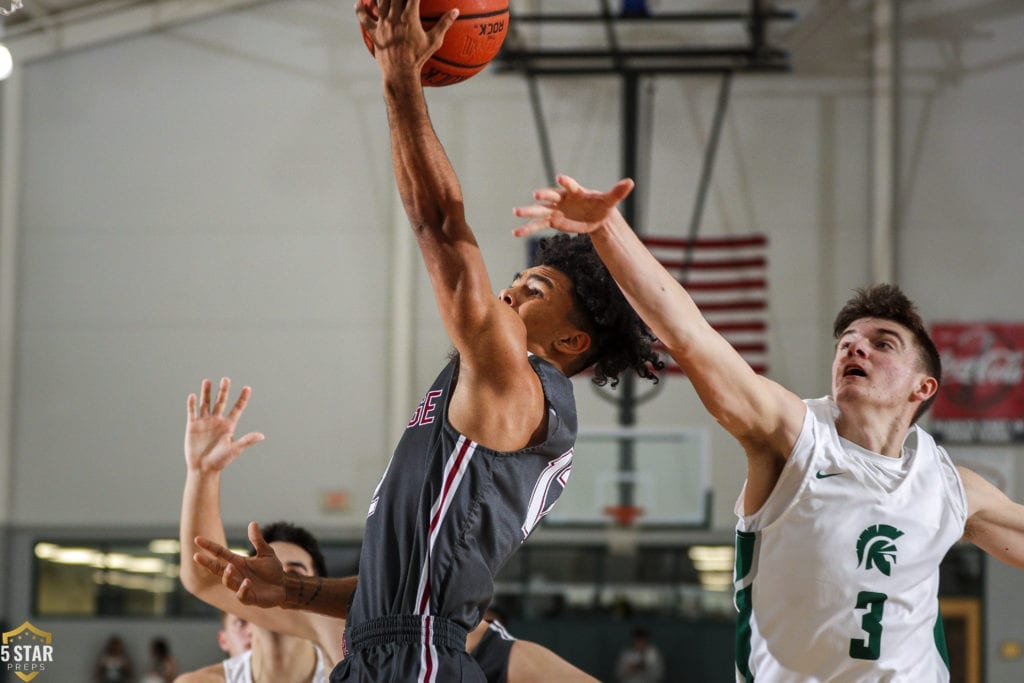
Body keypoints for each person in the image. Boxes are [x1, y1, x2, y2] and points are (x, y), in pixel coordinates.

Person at [192, 0, 660, 678]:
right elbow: (403, 592)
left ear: (570, 344)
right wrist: (296, 592)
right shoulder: (489, 397)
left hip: (417, 661)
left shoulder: (519, 383)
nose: (507, 290)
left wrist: (401, 79)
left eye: (535, 290)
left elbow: (441, 227)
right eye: (515, 278)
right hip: (394, 647)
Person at [511, 175, 1024, 681]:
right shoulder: (795, 435)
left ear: (923, 388)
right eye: (846, 339)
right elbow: (690, 338)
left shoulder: (951, 488)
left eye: (883, 343)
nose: (854, 346)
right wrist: (607, 231)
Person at [181, 378, 598, 683]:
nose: (278, 574)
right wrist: (202, 473)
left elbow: (490, 647)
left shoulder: (346, 629)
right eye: (266, 565)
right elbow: (205, 573)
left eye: (296, 571)